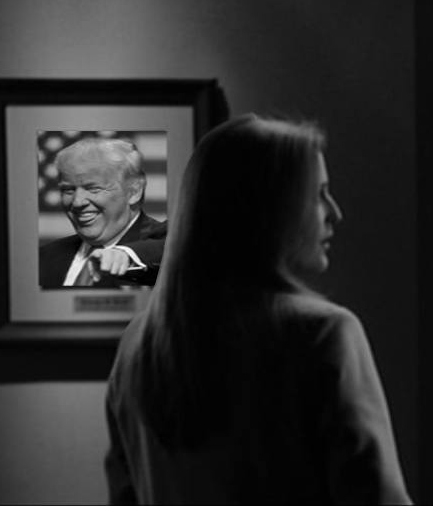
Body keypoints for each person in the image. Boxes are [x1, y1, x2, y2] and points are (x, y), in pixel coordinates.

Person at [104, 114, 412, 504]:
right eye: (318, 193)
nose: (334, 212)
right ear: (272, 207)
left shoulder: (137, 344)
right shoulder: (322, 333)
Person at [39, 137, 166, 288]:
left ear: (134, 192)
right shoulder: (44, 256)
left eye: (93, 188)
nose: (78, 202)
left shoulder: (167, 251)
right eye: (68, 190)